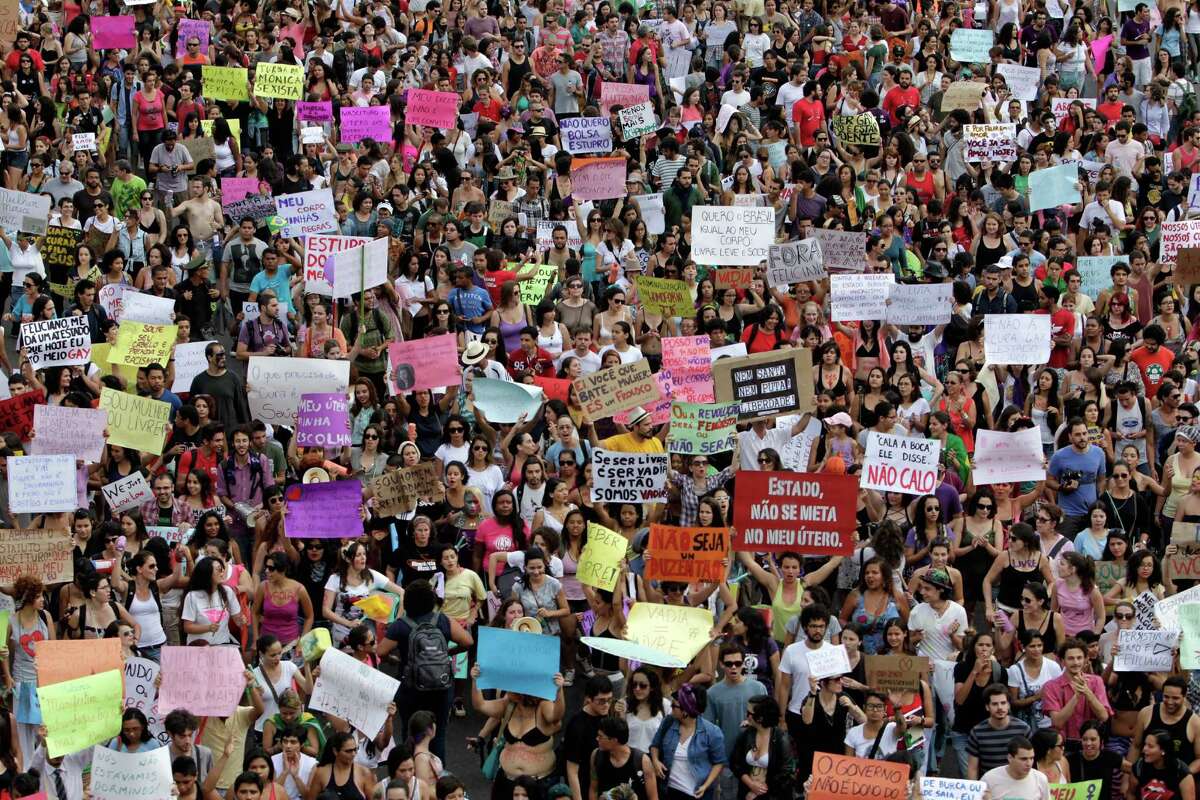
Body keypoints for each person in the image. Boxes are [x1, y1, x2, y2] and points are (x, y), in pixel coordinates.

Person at [981, 738, 1050, 800]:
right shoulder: (989, 779)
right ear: (1010, 758)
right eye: (1023, 759)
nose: (1029, 764)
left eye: (1031, 758)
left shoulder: (1040, 779)